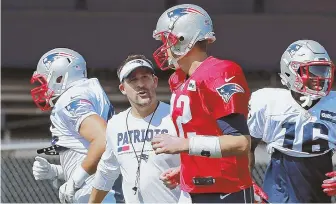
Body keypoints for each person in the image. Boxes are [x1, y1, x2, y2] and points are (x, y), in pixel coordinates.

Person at [150, 4, 266, 203]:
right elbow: (205, 132)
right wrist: (186, 169)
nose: (163, 47)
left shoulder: (219, 73)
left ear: (182, 39)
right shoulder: (179, 79)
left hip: (225, 191)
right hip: (192, 189)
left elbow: (240, 143)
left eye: (166, 39)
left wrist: (183, 144)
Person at [247, 39, 336, 203]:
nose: (321, 77)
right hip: (279, 190)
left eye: (324, 71)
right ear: (292, 71)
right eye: (314, 70)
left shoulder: (333, 103)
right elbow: (246, 146)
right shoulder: (269, 102)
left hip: (317, 190)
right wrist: (246, 181)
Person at [30, 48, 123, 203]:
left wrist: (75, 181)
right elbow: (91, 153)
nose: (43, 87)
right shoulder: (87, 92)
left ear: (59, 77)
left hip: (95, 193)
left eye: (44, 80)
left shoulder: (70, 99)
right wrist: (56, 171)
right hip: (104, 188)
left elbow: (103, 140)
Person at [89, 55, 181, 203]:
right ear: (122, 88)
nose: (141, 84)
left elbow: (201, 161)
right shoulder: (115, 125)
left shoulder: (177, 117)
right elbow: (107, 171)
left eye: (145, 77)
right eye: (133, 80)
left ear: (155, 81)